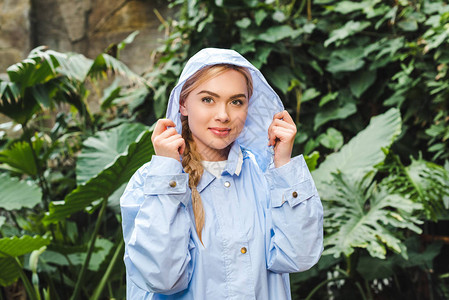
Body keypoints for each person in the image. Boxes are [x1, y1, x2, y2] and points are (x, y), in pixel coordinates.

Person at [120, 48, 323, 299]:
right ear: (183, 104)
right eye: (208, 99)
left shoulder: (269, 176)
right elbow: (161, 278)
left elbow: (300, 257)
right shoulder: (149, 182)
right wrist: (167, 178)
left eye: (236, 101)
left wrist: (282, 164)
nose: (223, 115)